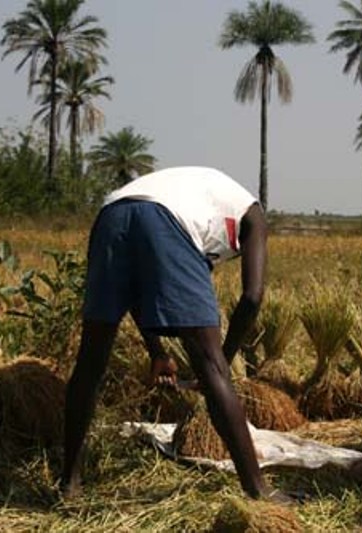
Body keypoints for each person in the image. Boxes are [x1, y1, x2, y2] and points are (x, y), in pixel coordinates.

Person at [61, 166, 282, 501]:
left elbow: (138, 289)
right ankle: (259, 492)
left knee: (90, 360)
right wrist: (222, 360)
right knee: (212, 367)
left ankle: (69, 484)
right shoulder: (254, 215)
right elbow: (252, 297)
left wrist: (158, 353)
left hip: (110, 215)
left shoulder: (200, 193)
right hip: (166, 221)